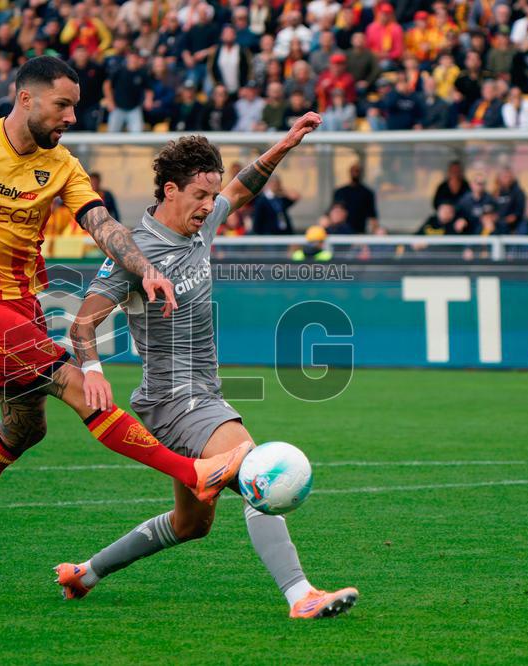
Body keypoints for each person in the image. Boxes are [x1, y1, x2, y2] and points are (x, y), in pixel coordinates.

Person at [0, 56, 246, 567]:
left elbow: (104, 225)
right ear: (26, 98)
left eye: (74, 107)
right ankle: (196, 473)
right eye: (63, 105)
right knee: (78, 386)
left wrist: (143, 267)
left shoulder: (61, 166)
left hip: (23, 309)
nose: (71, 118)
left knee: (24, 428)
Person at [57, 119, 360, 620]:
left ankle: (83, 573)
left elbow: (241, 189)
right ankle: (300, 595)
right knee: (256, 470)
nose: (209, 206)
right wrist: (90, 369)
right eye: (200, 195)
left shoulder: (202, 218)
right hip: (178, 400)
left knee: (190, 524)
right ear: (170, 190)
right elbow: (82, 324)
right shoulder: (133, 251)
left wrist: (283, 146)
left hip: (196, 396)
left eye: (211, 195)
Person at [332, 163, 379, 234]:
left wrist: (374, 233)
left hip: (359, 232)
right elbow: (331, 212)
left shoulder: (367, 193)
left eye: (357, 171)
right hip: (341, 232)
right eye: (353, 171)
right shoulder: (340, 192)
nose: (355, 173)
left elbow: (372, 216)